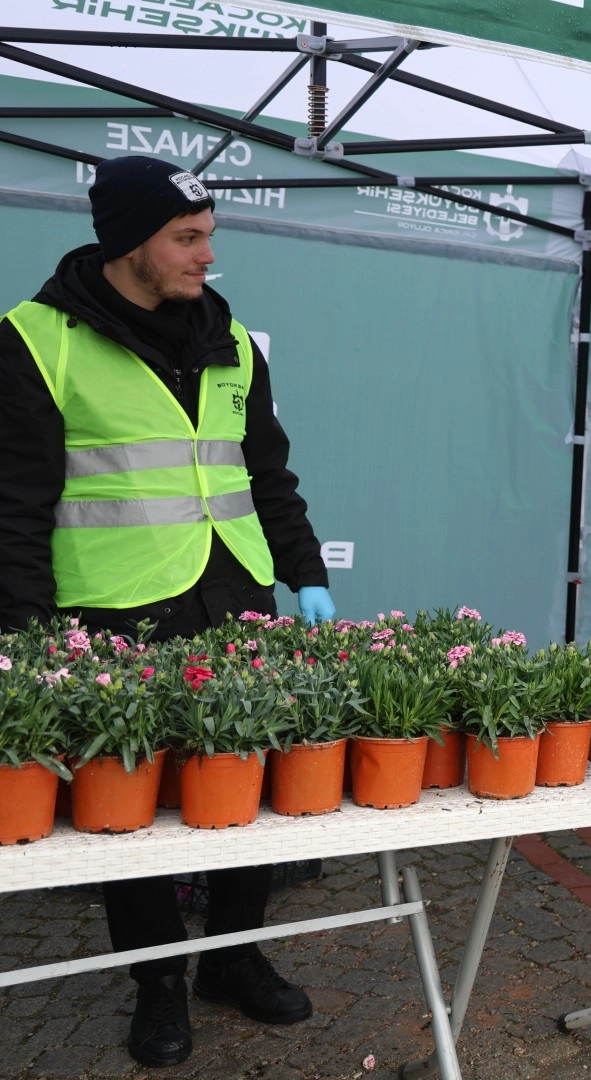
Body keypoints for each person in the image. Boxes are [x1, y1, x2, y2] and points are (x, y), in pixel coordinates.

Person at [0, 156, 336, 1068]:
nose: (206, 256)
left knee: (245, 784)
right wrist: (30, 634)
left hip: (238, 592)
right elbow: (16, 503)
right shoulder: (36, 341)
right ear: (129, 244)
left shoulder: (231, 339)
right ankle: (157, 982)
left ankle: (232, 955)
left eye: (210, 235)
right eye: (187, 238)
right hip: (116, 606)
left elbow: (267, 473)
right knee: (131, 803)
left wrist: (304, 572)